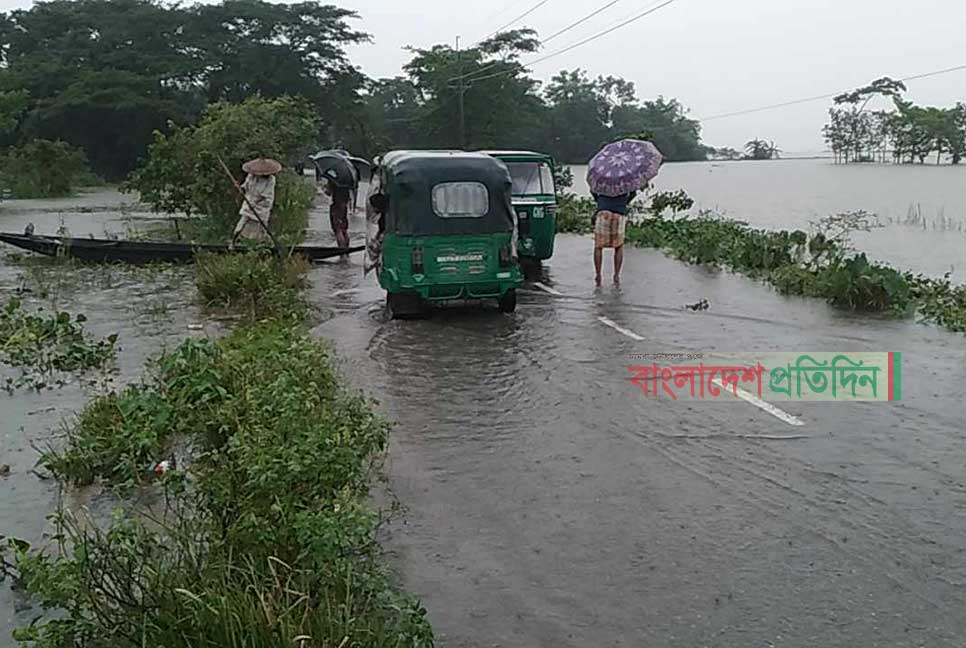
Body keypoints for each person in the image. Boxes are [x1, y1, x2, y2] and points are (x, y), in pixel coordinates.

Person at [592, 190, 636, 286]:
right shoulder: (625, 181)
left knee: (598, 246)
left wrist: (600, 201)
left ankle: (598, 274)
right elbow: (633, 193)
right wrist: (624, 201)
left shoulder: (602, 179)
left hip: (603, 212)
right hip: (619, 213)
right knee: (618, 246)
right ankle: (616, 275)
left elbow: (593, 191)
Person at [232, 158, 280, 245]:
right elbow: (245, 187)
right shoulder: (251, 176)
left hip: (263, 205)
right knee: (243, 221)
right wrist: (239, 187)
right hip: (249, 202)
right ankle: (234, 240)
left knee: (261, 226)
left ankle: (262, 243)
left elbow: (265, 195)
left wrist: (254, 203)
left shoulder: (271, 180)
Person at [328, 178, 352, 255]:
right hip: (344, 204)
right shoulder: (347, 178)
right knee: (344, 229)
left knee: (337, 229)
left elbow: (329, 192)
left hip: (336, 204)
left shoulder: (334, 178)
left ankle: (341, 251)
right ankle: (346, 250)